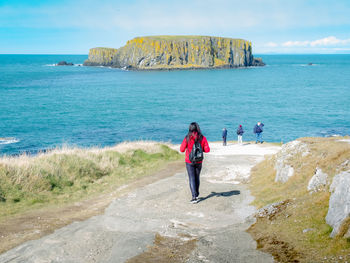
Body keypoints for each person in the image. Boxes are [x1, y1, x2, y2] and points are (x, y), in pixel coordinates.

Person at [180, 122, 210, 204]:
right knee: (197, 177)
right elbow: (207, 150)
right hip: (199, 160)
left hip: (189, 161)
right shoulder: (202, 138)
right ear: (198, 128)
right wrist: (201, 149)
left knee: (191, 178)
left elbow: (182, 149)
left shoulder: (187, 138)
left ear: (190, 129)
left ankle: (194, 197)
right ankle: (196, 193)